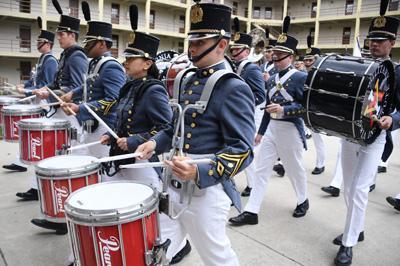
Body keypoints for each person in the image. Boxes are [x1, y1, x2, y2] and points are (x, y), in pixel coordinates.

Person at [135, 1, 255, 264]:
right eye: (192, 41)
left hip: (205, 192)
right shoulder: (187, 79)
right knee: (158, 250)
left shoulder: (234, 87)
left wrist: (200, 171)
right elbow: (174, 128)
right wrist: (154, 144)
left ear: (222, 45)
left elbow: (243, 151)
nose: (192, 48)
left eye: (200, 42)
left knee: (217, 257)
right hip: (173, 184)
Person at [332, 1, 400, 265]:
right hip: (350, 133)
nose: (374, 44)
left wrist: (391, 118)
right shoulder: (357, 66)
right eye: (372, 39)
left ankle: (348, 243)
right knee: (349, 188)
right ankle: (356, 228)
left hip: (374, 137)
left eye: (381, 40)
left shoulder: (397, 72)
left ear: (391, 43)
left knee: (360, 188)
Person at [229, 16, 309, 227]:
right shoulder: (272, 78)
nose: (275, 58)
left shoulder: (300, 77)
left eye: (280, 56)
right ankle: (252, 211)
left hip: (291, 129)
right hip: (272, 129)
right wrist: (261, 132)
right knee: (262, 170)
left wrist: (285, 109)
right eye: (275, 54)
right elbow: (267, 107)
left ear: (291, 57)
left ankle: (303, 199)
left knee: (294, 169)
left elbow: (307, 108)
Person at [27, 0, 88, 235]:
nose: (58, 38)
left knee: (70, 163)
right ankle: (60, 213)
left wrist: (54, 92)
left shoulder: (77, 56)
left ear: (71, 34)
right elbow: (57, 83)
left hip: (71, 114)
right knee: (61, 160)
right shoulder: (66, 54)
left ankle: (65, 217)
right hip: (61, 111)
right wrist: (46, 90)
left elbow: (79, 87)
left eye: (61, 34)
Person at [3, 17, 58, 174]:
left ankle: (26, 164)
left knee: (37, 136)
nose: (37, 43)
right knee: (31, 134)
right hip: (37, 100)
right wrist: (25, 86)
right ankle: (19, 160)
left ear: (48, 44)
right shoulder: (42, 59)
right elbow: (35, 79)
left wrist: (27, 91)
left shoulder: (51, 61)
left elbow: (47, 84)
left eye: (40, 41)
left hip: (45, 103)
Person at [230, 18, 265, 197]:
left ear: (246, 50)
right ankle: (252, 184)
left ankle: (254, 185)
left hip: (252, 115)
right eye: (233, 48)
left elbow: (261, 95)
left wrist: (241, 105)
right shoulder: (237, 67)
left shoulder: (251, 69)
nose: (234, 51)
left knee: (247, 150)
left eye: (237, 49)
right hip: (242, 114)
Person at [303, 35, 326, 175]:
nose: (306, 63)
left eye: (310, 60)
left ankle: (320, 164)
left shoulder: (322, 76)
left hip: (316, 111)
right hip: (302, 109)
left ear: (316, 60)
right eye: (305, 60)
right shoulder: (302, 74)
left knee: (318, 140)